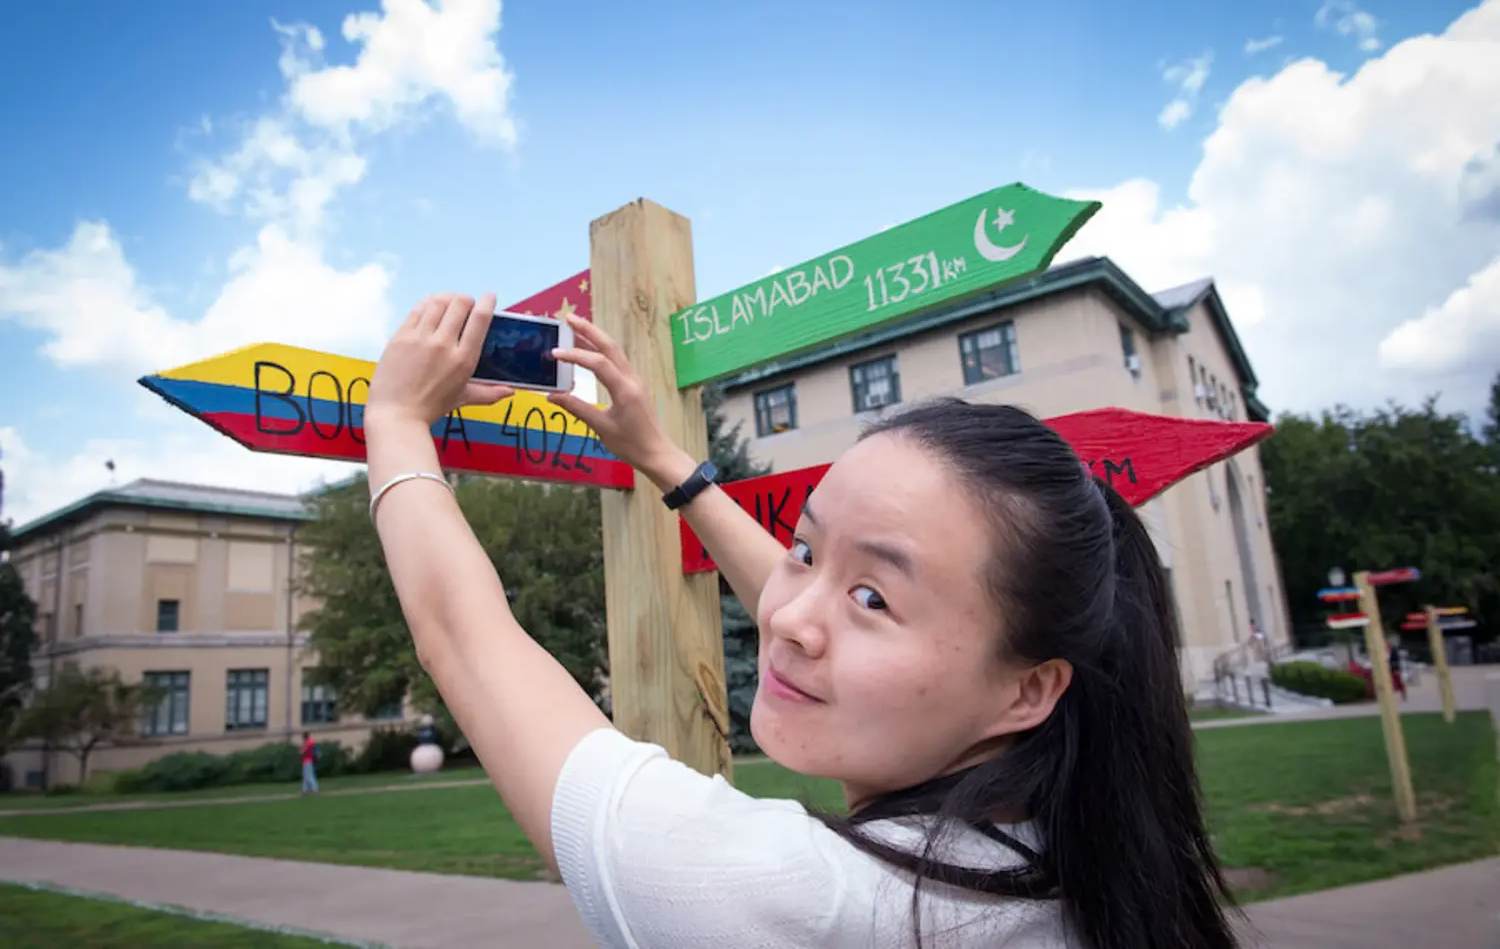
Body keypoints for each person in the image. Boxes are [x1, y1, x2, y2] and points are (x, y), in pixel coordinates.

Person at [362, 293, 1240, 949]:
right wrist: (665, 460)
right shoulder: (1075, 860)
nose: (790, 621)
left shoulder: (794, 898)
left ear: (1030, 688)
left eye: (873, 599)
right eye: (805, 547)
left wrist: (398, 420)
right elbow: (807, 609)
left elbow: (468, 644)